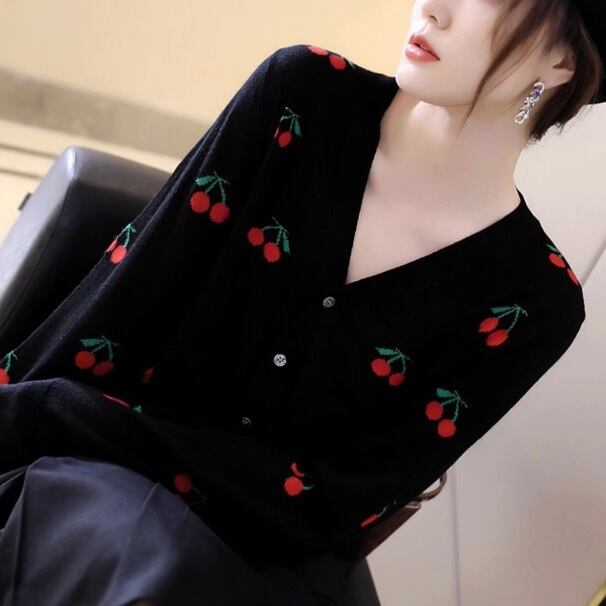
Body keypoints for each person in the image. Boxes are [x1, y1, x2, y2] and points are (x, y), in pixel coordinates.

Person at [0, 0, 602, 602]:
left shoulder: (534, 305)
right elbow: (119, 311)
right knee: (145, 558)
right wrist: (32, 412)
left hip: (263, 557)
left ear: (561, 61)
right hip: (94, 484)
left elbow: (336, 505)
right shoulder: (302, 96)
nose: (434, 8)